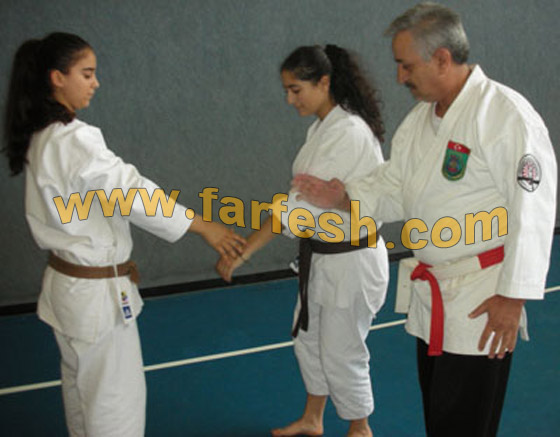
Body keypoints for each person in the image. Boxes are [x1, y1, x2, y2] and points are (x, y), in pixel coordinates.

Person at [292, 3, 557, 436]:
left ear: (442, 59)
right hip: (435, 295)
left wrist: (514, 297)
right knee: (440, 414)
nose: (400, 77)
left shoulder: (504, 115)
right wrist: (345, 197)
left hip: (482, 298)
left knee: (465, 422)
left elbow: (534, 209)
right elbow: (395, 185)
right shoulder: (420, 121)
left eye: (406, 65)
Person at [2, 32, 245, 437]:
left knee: (82, 394)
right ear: (57, 78)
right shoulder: (73, 138)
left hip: (68, 287)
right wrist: (204, 225)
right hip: (94, 297)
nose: (95, 83)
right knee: (114, 406)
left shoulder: (43, 136)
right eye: (87, 74)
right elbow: (130, 192)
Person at [216, 45, 389, 437]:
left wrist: (244, 251)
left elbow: (297, 209)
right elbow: (297, 203)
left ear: (324, 82)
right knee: (308, 339)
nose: (290, 99)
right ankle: (313, 418)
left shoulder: (348, 133)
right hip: (324, 257)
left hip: (352, 261)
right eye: (287, 90)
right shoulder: (323, 128)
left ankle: (360, 429)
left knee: (342, 352)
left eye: (296, 90)